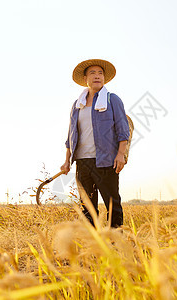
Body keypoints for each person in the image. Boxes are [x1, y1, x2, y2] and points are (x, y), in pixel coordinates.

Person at [60, 59, 130, 228]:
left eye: (100, 73)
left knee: (113, 205)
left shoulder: (112, 100)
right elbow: (71, 135)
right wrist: (67, 160)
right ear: (86, 79)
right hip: (83, 162)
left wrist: (121, 154)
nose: (97, 76)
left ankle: (116, 242)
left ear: (104, 78)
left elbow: (123, 130)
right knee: (87, 207)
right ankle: (92, 246)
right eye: (93, 73)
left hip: (106, 161)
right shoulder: (77, 105)